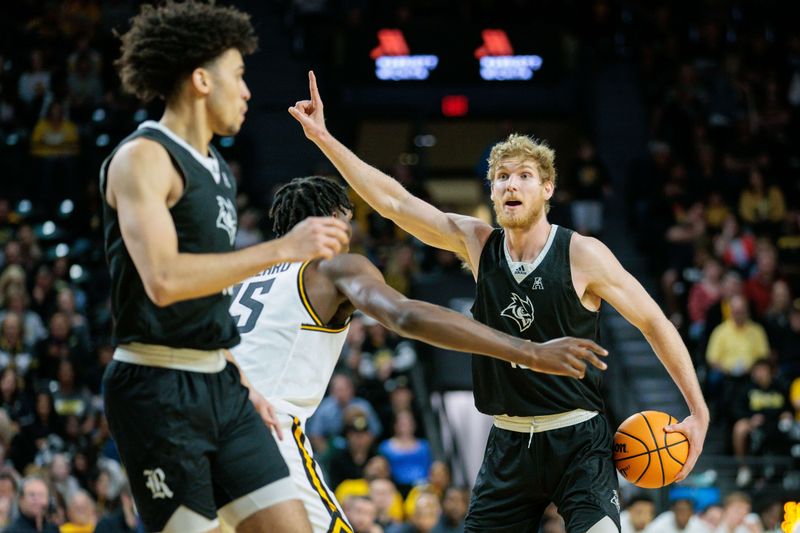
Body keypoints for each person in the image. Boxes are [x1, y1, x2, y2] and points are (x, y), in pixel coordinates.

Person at [289, 71, 710, 533]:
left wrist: (698, 409)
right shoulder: (477, 242)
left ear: (546, 189)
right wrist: (324, 138)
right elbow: (394, 202)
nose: (512, 185)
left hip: (578, 439)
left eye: (524, 176)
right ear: (491, 192)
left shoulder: (582, 253)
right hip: (508, 442)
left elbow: (654, 321)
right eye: (502, 177)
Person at [228, 175, 609, 532]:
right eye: (348, 222)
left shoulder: (242, 276)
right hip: (264, 425)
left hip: (198, 414)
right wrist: (530, 352)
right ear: (333, 221)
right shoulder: (333, 266)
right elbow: (403, 314)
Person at [100, 3, 350, 533]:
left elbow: (209, 295)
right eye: (237, 75)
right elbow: (165, 282)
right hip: (157, 383)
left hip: (223, 383)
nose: (247, 91)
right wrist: (283, 250)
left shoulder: (217, 170)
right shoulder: (142, 157)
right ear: (200, 81)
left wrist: (241, 377)